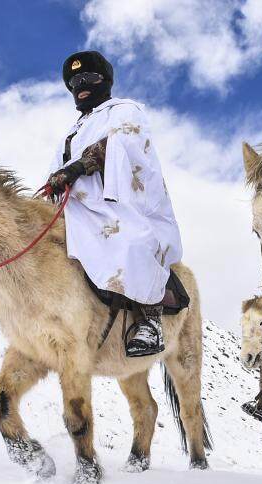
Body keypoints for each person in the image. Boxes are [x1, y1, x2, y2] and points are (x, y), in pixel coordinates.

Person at [45, 50, 182, 356]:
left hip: (117, 205)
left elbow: (124, 141)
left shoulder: (124, 110)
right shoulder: (72, 131)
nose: (80, 85)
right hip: (74, 208)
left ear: (105, 81)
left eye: (88, 78)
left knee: (133, 241)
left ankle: (149, 320)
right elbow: (57, 167)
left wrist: (79, 167)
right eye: (74, 81)